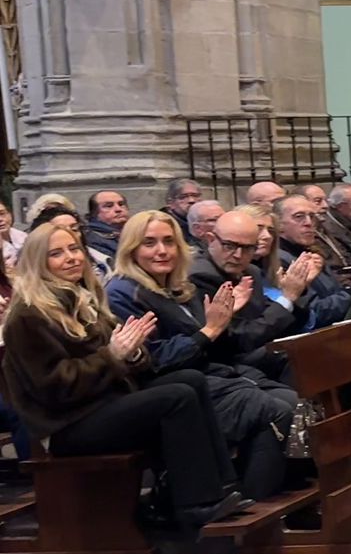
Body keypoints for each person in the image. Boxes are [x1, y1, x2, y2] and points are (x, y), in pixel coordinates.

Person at [2, 223, 247, 534]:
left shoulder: (84, 297)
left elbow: (132, 355)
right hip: (66, 424)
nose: (71, 258)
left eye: (74, 249)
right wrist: (113, 356)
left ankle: (222, 485)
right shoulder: (29, 315)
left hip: (102, 402)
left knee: (190, 379)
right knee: (175, 398)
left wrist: (131, 354)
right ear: (38, 262)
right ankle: (193, 505)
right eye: (56, 253)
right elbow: (53, 387)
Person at [106, 211, 299, 499]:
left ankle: (275, 498)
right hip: (170, 391)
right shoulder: (124, 292)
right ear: (131, 248)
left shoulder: (178, 287)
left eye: (169, 242)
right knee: (277, 408)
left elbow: (212, 336)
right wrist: (209, 330)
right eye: (149, 243)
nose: (162, 251)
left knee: (295, 402)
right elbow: (154, 361)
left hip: (208, 377)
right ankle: (255, 509)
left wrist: (220, 322)